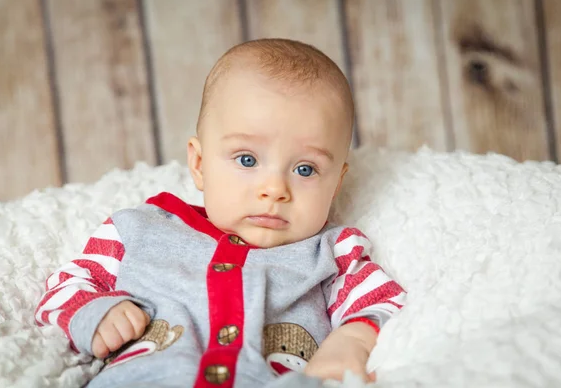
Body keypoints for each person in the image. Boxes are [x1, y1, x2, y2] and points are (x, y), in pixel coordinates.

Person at [35, 38, 406, 388]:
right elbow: (62, 288)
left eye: (305, 169)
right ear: (198, 163)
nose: (275, 190)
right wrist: (95, 313)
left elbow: (380, 301)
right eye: (247, 160)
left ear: (336, 183)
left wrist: (350, 343)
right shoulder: (139, 228)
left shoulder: (331, 253)